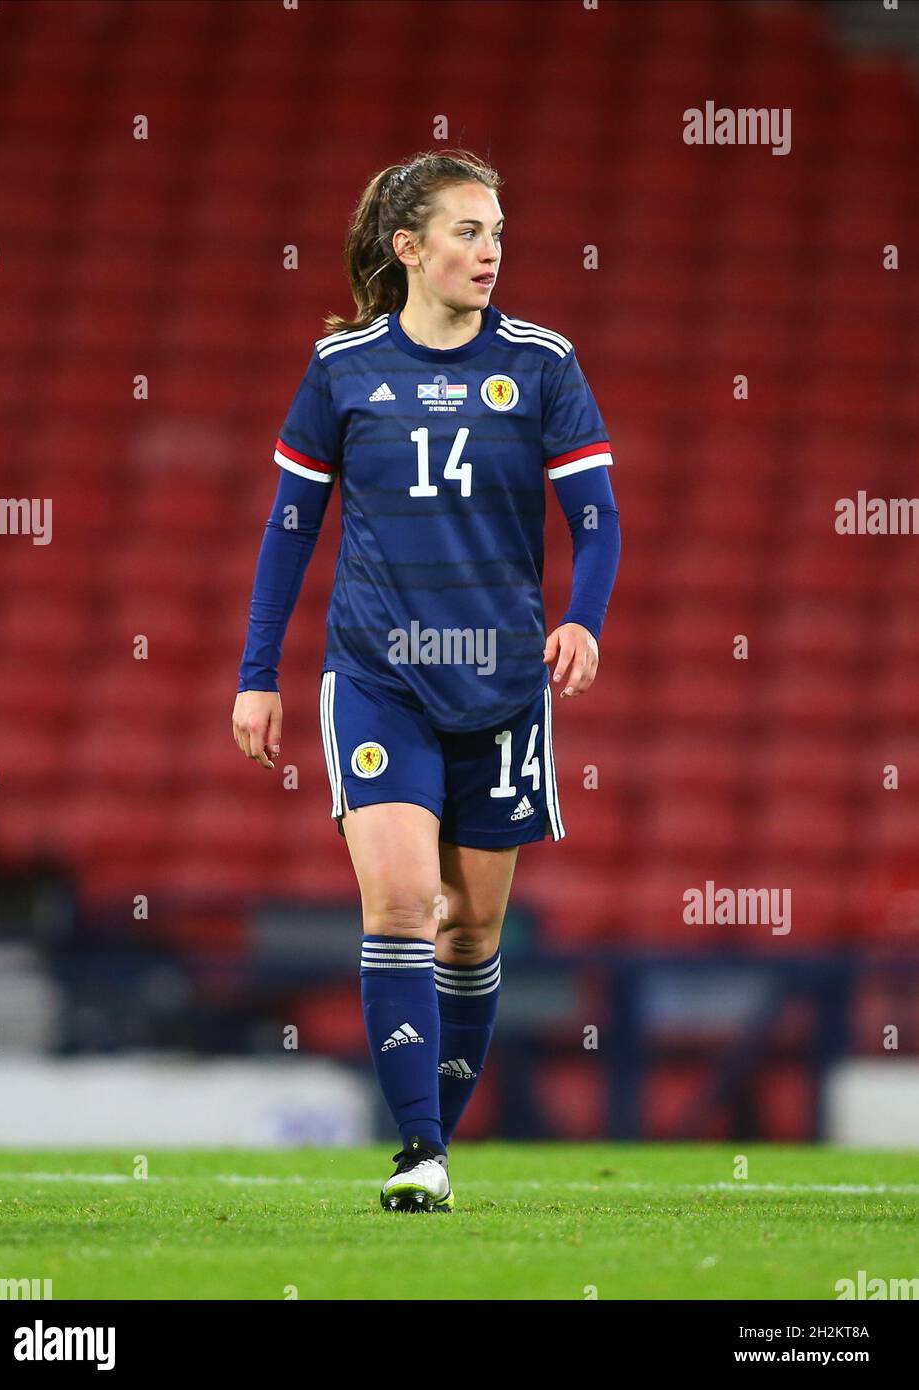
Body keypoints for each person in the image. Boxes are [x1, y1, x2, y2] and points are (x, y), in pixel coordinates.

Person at [233, 149, 621, 1212]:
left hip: (500, 683)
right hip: (377, 675)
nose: (489, 250)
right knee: (404, 901)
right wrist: (256, 673)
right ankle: (418, 1152)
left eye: (497, 231)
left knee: (472, 931)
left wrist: (582, 621)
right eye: (466, 230)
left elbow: (595, 518)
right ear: (409, 248)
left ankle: (434, 1138)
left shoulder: (541, 362)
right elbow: (288, 528)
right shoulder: (341, 369)